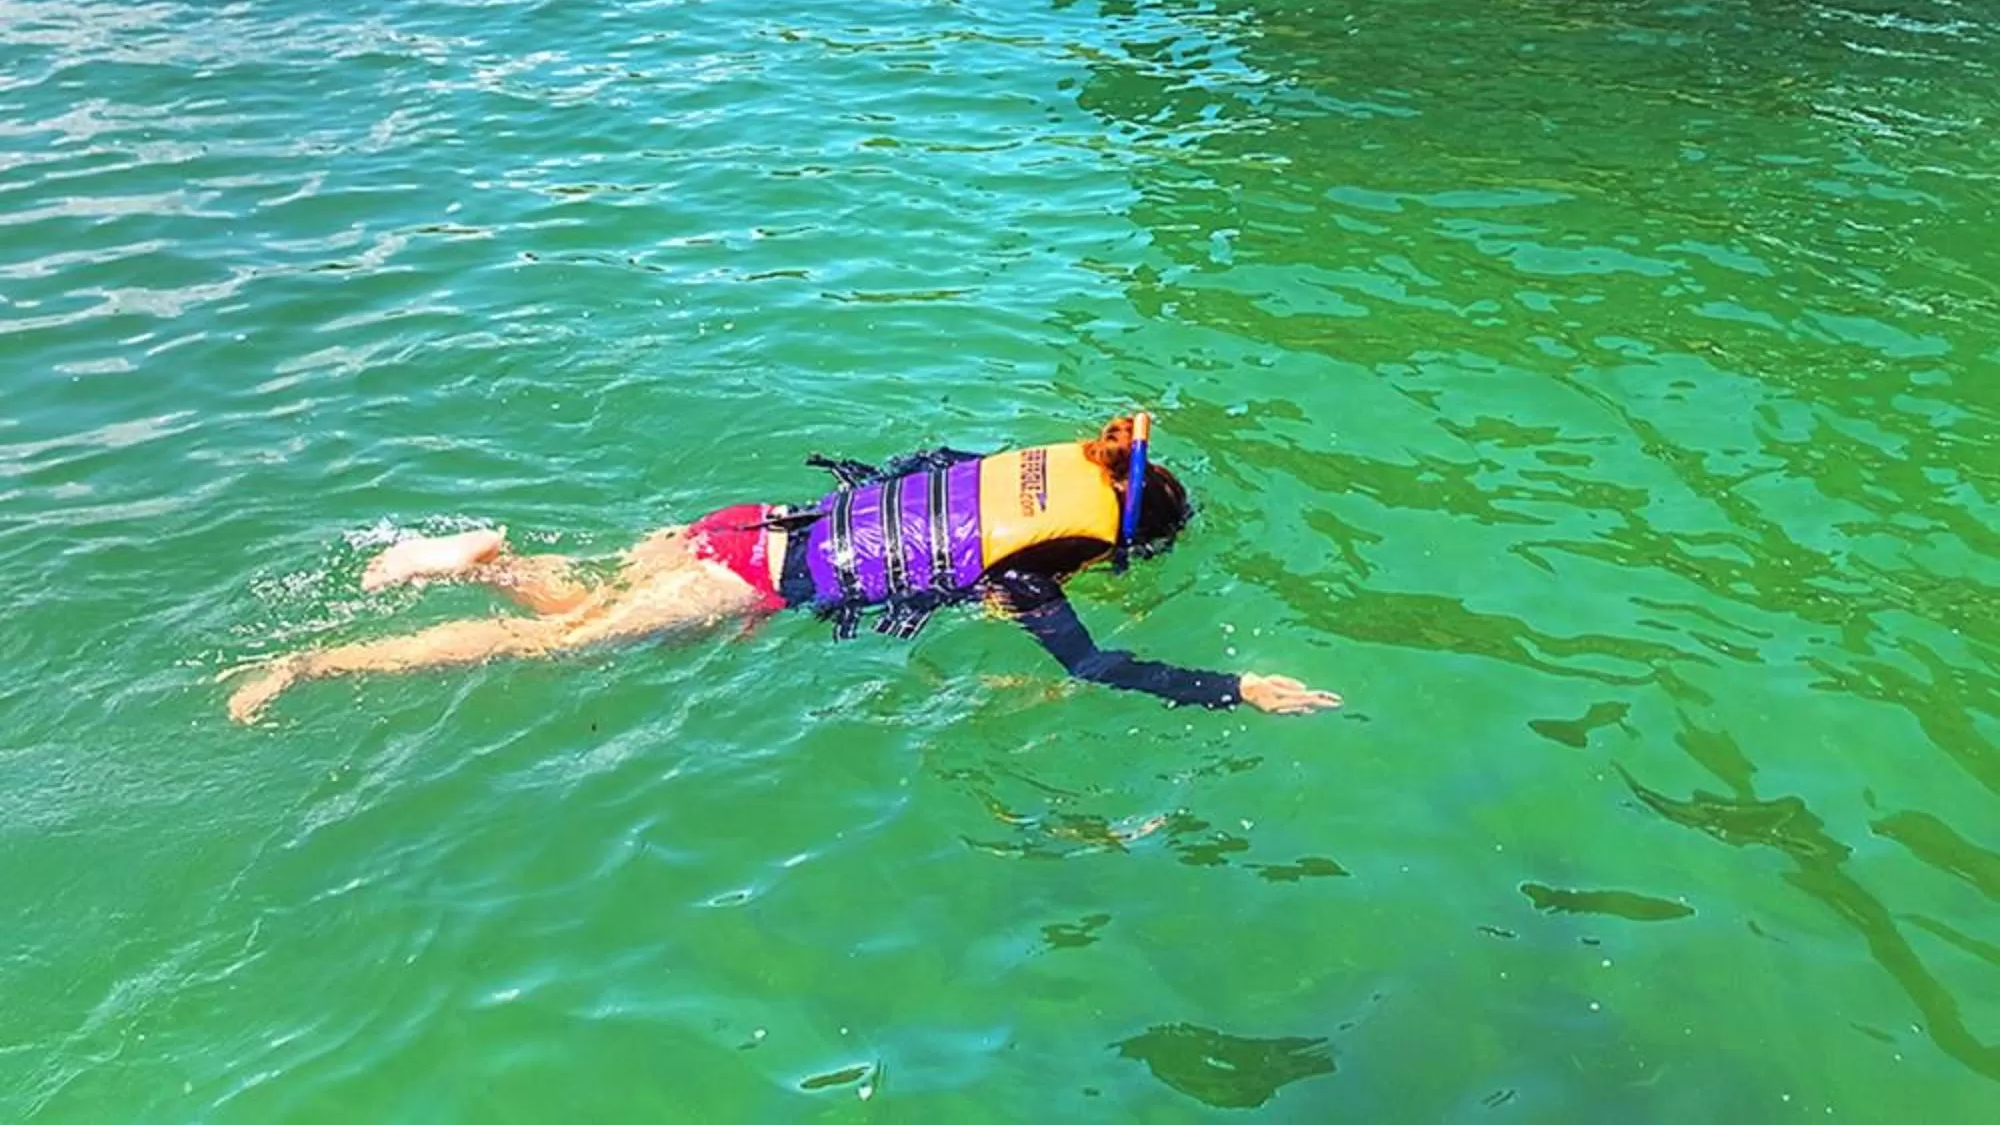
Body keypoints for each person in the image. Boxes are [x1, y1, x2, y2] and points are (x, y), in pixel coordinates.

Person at [224, 414, 1340, 724]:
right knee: (551, 651)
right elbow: (1093, 671)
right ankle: (318, 663)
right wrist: (1233, 687)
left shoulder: (998, 482)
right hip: (741, 586)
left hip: (739, 530)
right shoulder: (1035, 572)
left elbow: (914, 506)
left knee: (591, 609)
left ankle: (490, 556)